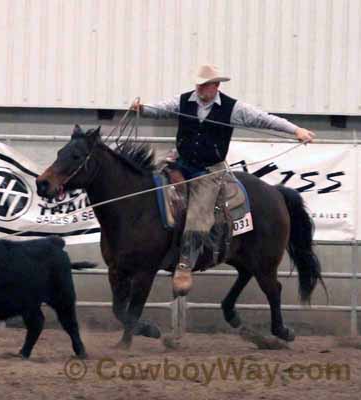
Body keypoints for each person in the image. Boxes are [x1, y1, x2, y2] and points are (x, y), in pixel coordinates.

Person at [132, 64, 315, 297]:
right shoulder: (184, 101)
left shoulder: (233, 108)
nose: (199, 88)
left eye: (204, 85)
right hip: (180, 163)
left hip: (209, 171)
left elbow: (264, 120)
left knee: (199, 213)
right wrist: (143, 109)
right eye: (198, 84)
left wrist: (296, 130)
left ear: (216, 86)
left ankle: (185, 266)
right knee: (152, 192)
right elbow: (160, 109)